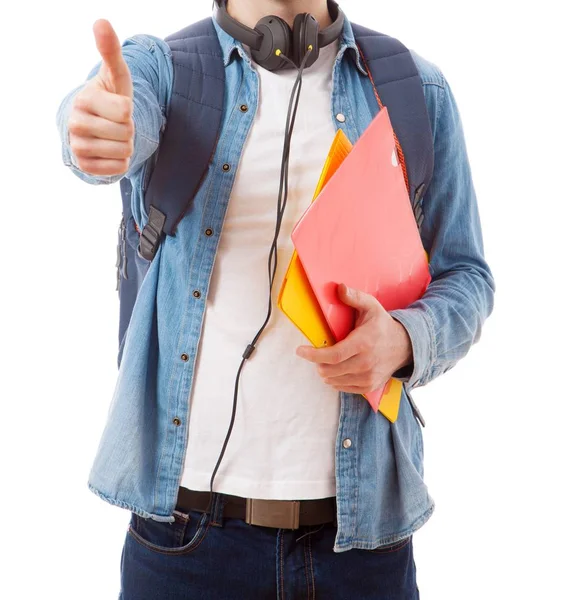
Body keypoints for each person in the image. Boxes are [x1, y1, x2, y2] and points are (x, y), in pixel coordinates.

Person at [55, 1, 495, 598]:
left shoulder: (416, 89)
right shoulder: (162, 71)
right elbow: (106, 116)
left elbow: (467, 276)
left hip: (362, 547)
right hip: (185, 541)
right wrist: (94, 132)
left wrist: (403, 339)